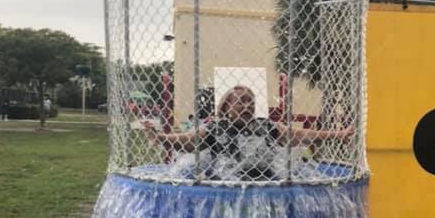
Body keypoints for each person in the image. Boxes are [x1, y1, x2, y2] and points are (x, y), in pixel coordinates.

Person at [143, 85, 353, 180]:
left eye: (251, 102)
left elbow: (300, 135)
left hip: (266, 180)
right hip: (227, 183)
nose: (248, 105)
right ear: (226, 107)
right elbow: (189, 141)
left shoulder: (266, 127)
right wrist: (160, 137)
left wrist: (338, 135)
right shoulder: (217, 129)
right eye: (241, 102)